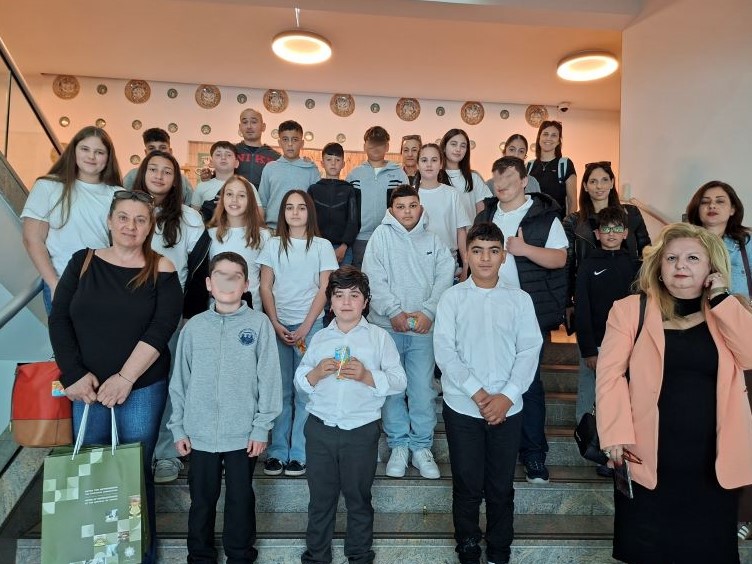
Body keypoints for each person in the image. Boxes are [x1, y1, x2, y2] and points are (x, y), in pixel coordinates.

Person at [597, 222, 752, 564]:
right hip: (647, 453)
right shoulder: (630, 309)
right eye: (671, 258)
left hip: (713, 459)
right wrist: (615, 434)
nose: (681, 265)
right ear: (659, 266)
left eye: (693, 258)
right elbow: (609, 376)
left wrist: (721, 298)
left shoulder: (729, 310)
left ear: (711, 268)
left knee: (710, 551)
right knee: (648, 551)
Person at [49, 190, 183, 564]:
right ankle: (92, 555)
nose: (130, 226)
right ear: (109, 221)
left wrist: (125, 378)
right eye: (123, 217)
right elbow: (59, 318)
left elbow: (162, 328)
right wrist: (74, 375)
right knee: (89, 473)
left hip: (141, 387)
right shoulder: (83, 261)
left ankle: (138, 556)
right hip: (86, 389)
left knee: (133, 475)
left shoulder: (162, 268)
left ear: (150, 226)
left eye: (140, 219)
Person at [434, 222, 543, 564]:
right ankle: (467, 546)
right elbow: (445, 353)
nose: (485, 258)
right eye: (477, 251)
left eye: (493, 251)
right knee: (467, 484)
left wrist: (507, 396)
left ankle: (499, 550)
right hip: (463, 408)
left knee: (500, 485)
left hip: (508, 409)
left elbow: (529, 350)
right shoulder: (452, 298)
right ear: (466, 255)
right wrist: (479, 394)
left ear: (504, 256)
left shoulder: (519, 300)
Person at [168, 252, 282, 564]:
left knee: (240, 498)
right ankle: (200, 555)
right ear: (208, 283)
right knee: (201, 500)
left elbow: (269, 380)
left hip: (243, 433)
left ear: (246, 284)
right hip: (200, 432)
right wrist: (178, 427)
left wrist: (261, 427)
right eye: (220, 275)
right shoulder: (194, 328)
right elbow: (180, 381)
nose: (227, 282)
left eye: (235, 277)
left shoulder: (259, 325)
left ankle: (240, 554)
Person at [294, 266, 407, 564]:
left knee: (358, 498)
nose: (346, 302)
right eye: (339, 295)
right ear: (330, 302)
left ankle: (359, 555)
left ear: (365, 302)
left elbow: (400, 380)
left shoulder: (379, 338)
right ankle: (317, 557)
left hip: (361, 430)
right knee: (320, 499)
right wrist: (316, 373)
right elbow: (301, 379)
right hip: (320, 429)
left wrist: (369, 376)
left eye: (354, 295)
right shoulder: (320, 338)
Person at [475, 156, 568, 484]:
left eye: (509, 180)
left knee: (527, 382)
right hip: (488, 310)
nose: (501, 186)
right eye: (497, 180)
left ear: (524, 181)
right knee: (489, 378)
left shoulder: (543, 216)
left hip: (529, 313)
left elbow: (560, 258)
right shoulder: (487, 214)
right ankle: (495, 449)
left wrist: (524, 249)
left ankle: (533, 454)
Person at [362, 185, 454, 479]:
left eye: (412, 205)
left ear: (420, 207)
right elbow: (372, 278)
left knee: (422, 391)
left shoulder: (434, 240)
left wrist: (429, 312)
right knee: (392, 390)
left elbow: (445, 277)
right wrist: (393, 312)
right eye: (400, 207)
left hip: (423, 330)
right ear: (391, 210)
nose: (407, 212)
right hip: (387, 328)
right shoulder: (380, 237)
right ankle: (399, 446)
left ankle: (421, 447)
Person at [132, 150, 207, 483]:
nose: (159, 176)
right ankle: (131, 454)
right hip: (128, 309)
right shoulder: (126, 210)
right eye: (153, 169)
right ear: (142, 173)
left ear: (176, 180)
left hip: (171, 311)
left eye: (167, 171)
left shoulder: (189, 218)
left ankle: (167, 454)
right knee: (131, 379)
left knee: (171, 383)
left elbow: (200, 267)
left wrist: (190, 312)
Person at [686, 180, 752, 539]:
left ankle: (743, 515)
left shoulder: (745, 243)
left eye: (720, 201)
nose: (712, 206)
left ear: (733, 208)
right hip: (697, 338)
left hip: (740, 340)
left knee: (742, 433)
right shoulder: (685, 242)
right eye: (706, 201)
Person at [257, 190, 338, 477]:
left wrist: (305, 326)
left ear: (309, 212)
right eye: (289, 207)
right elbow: (265, 286)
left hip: (310, 326)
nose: (295, 212)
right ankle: (278, 451)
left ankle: (300, 452)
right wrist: (274, 322)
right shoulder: (273, 244)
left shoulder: (322, 246)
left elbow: (325, 288)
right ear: (282, 213)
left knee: (305, 389)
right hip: (278, 325)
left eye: (301, 207)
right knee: (281, 391)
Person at [21, 126, 121, 314]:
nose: (91, 156)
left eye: (99, 152)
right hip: (63, 283)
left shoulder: (118, 194)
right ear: (73, 151)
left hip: (105, 285)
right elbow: (32, 239)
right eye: (85, 149)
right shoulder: (48, 186)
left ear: (108, 158)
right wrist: (53, 283)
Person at [573, 206, 639, 478]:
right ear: (597, 234)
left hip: (630, 347)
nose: (611, 234)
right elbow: (582, 310)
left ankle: (624, 454)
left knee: (626, 401)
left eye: (617, 228)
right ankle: (597, 451)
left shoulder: (635, 266)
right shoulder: (588, 265)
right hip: (597, 346)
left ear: (625, 233)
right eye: (605, 229)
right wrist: (588, 349)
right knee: (592, 399)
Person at [563, 161, 649, 330]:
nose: (599, 186)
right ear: (585, 186)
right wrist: (567, 301)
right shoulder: (573, 221)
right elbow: (567, 265)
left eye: (604, 180)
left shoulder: (631, 214)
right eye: (593, 181)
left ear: (612, 183)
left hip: (629, 291)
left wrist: (647, 291)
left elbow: (647, 253)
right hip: (590, 296)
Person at [346, 126, 409, 268]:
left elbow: (406, 206)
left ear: (387, 146)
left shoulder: (399, 174)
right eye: (372, 143)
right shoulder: (354, 175)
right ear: (364, 146)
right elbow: (347, 208)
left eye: (380, 143)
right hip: (359, 239)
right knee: (359, 278)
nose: (375, 147)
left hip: (391, 237)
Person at [207, 175, 271, 311]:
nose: (234, 200)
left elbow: (267, 283)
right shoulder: (210, 235)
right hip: (217, 310)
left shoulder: (263, 236)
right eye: (229, 194)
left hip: (251, 310)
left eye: (241, 195)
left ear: (250, 201)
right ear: (222, 198)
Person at [414, 143, 471, 280]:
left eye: (434, 160)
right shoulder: (411, 194)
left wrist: (466, 264)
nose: (429, 165)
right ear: (417, 165)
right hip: (416, 265)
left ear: (441, 164)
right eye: (424, 160)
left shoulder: (452, 194)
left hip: (448, 265)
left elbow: (461, 231)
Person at [258, 120, 320, 229]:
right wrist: (261, 228)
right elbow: (262, 202)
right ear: (279, 142)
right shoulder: (270, 168)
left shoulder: (311, 170)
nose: (290, 144)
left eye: (295, 140)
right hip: (273, 228)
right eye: (285, 139)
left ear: (302, 143)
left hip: (302, 230)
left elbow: (316, 204)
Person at [307, 142, 360, 266]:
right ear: (322, 163)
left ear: (343, 164)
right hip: (316, 246)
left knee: (343, 278)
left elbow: (353, 221)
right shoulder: (313, 189)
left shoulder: (349, 190)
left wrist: (344, 246)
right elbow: (308, 219)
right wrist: (313, 244)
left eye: (337, 160)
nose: (333, 163)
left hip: (342, 249)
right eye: (329, 159)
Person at [192, 141, 262, 222]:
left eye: (228, 155)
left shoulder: (248, 186)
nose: (223, 157)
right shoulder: (202, 186)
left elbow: (260, 216)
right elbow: (193, 217)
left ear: (236, 163)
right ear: (211, 163)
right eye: (218, 155)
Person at [123, 127, 193, 203]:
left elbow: (191, 205)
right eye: (151, 148)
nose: (157, 152)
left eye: (162, 147)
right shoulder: (132, 176)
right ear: (146, 152)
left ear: (170, 151)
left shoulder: (182, 181)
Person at [525, 120, 577, 217]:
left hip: (557, 222)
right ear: (539, 138)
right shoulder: (528, 166)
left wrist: (569, 225)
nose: (549, 138)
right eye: (545, 134)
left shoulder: (565, 164)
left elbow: (572, 201)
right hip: (531, 222)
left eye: (554, 135)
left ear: (558, 141)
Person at [440, 128, 492, 222]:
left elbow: (482, 212)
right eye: (453, 144)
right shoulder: (434, 177)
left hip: (470, 230)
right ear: (444, 147)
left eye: (463, 146)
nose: (458, 149)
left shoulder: (474, 178)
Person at [235, 108, 281, 188]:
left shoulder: (275, 157)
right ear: (240, 127)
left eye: (254, 122)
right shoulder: (231, 152)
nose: (249, 126)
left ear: (263, 127)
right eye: (245, 122)